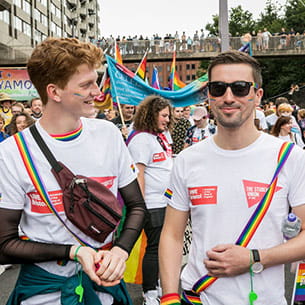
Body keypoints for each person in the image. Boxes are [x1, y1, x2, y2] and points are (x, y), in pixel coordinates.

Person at [0, 37, 147, 305]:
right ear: (54, 92)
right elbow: (3, 245)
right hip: (43, 294)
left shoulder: (108, 135)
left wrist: (120, 251)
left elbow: (137, 206)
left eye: (96, 81)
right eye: (86, 85)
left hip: (106, 291)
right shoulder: (12, 153)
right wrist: (73, 252)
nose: (97, 92)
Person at [159, 50, 305, 305]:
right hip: (198, 298)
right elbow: (172, 234)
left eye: (240, 88)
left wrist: (255, 257)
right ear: (209, 96)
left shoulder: (290, 157)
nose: (228, 97)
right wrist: (169, 297)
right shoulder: (187, 159)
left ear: (257, 95)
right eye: (218, 88)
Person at [127, 95, 173, 305]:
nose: (167, 119)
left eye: (168, 115)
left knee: (165, 247)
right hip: (152, 204)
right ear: (151, 114)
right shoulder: (140, 139)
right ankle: (150, 292)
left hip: (168, 203)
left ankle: (163, 286)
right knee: (154, 248)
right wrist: (140, 205)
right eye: (164, 115)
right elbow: (139, 174)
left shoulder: (161, 137)